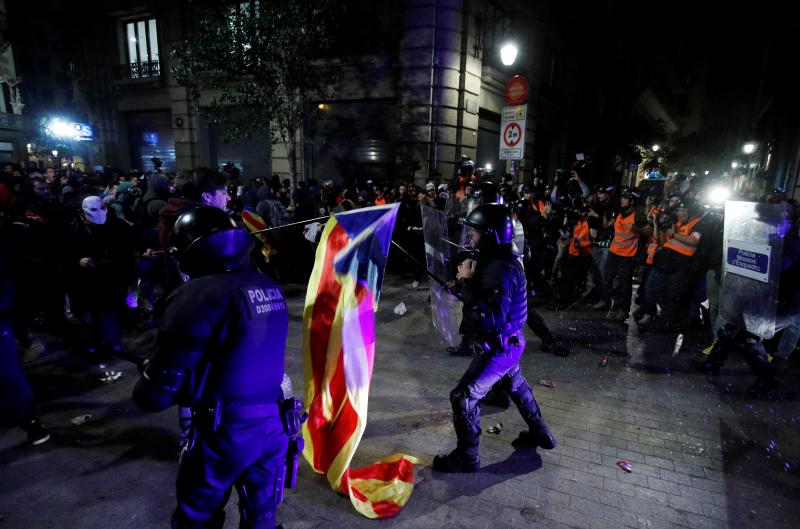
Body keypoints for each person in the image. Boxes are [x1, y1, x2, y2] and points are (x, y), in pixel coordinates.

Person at [134, 206, 296, 529]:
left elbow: (154, 395)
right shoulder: (266, 285)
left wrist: (152, 375)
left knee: (197, 517)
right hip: (276, 425)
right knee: (261, 518)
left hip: (225, 433)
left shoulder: (197, 295)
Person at [433, 204, 556, 473]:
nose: (470, 237)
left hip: (500, 346)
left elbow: (490, 318)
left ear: (491, 234)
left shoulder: (501, 267)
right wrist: (463, 284)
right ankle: (542, 434)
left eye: (475, 232)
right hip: (509, 343)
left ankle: (467, 457)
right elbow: (489, 296)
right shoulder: (501, 257)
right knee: (517, 387)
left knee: (462, 397)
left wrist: (466, 282)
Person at [593, 187, 651, 321]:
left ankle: (623, 310)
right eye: (622, 197)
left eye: (625, 198)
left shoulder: (638, 215)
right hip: (614, 252)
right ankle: (605, 302)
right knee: (607, 279)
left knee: (625, 283)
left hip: (627, 255)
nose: (622, 200)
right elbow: (610, 226)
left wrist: (636, 228)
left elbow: (648, 231)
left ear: (632, 201)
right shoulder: (620, 212)